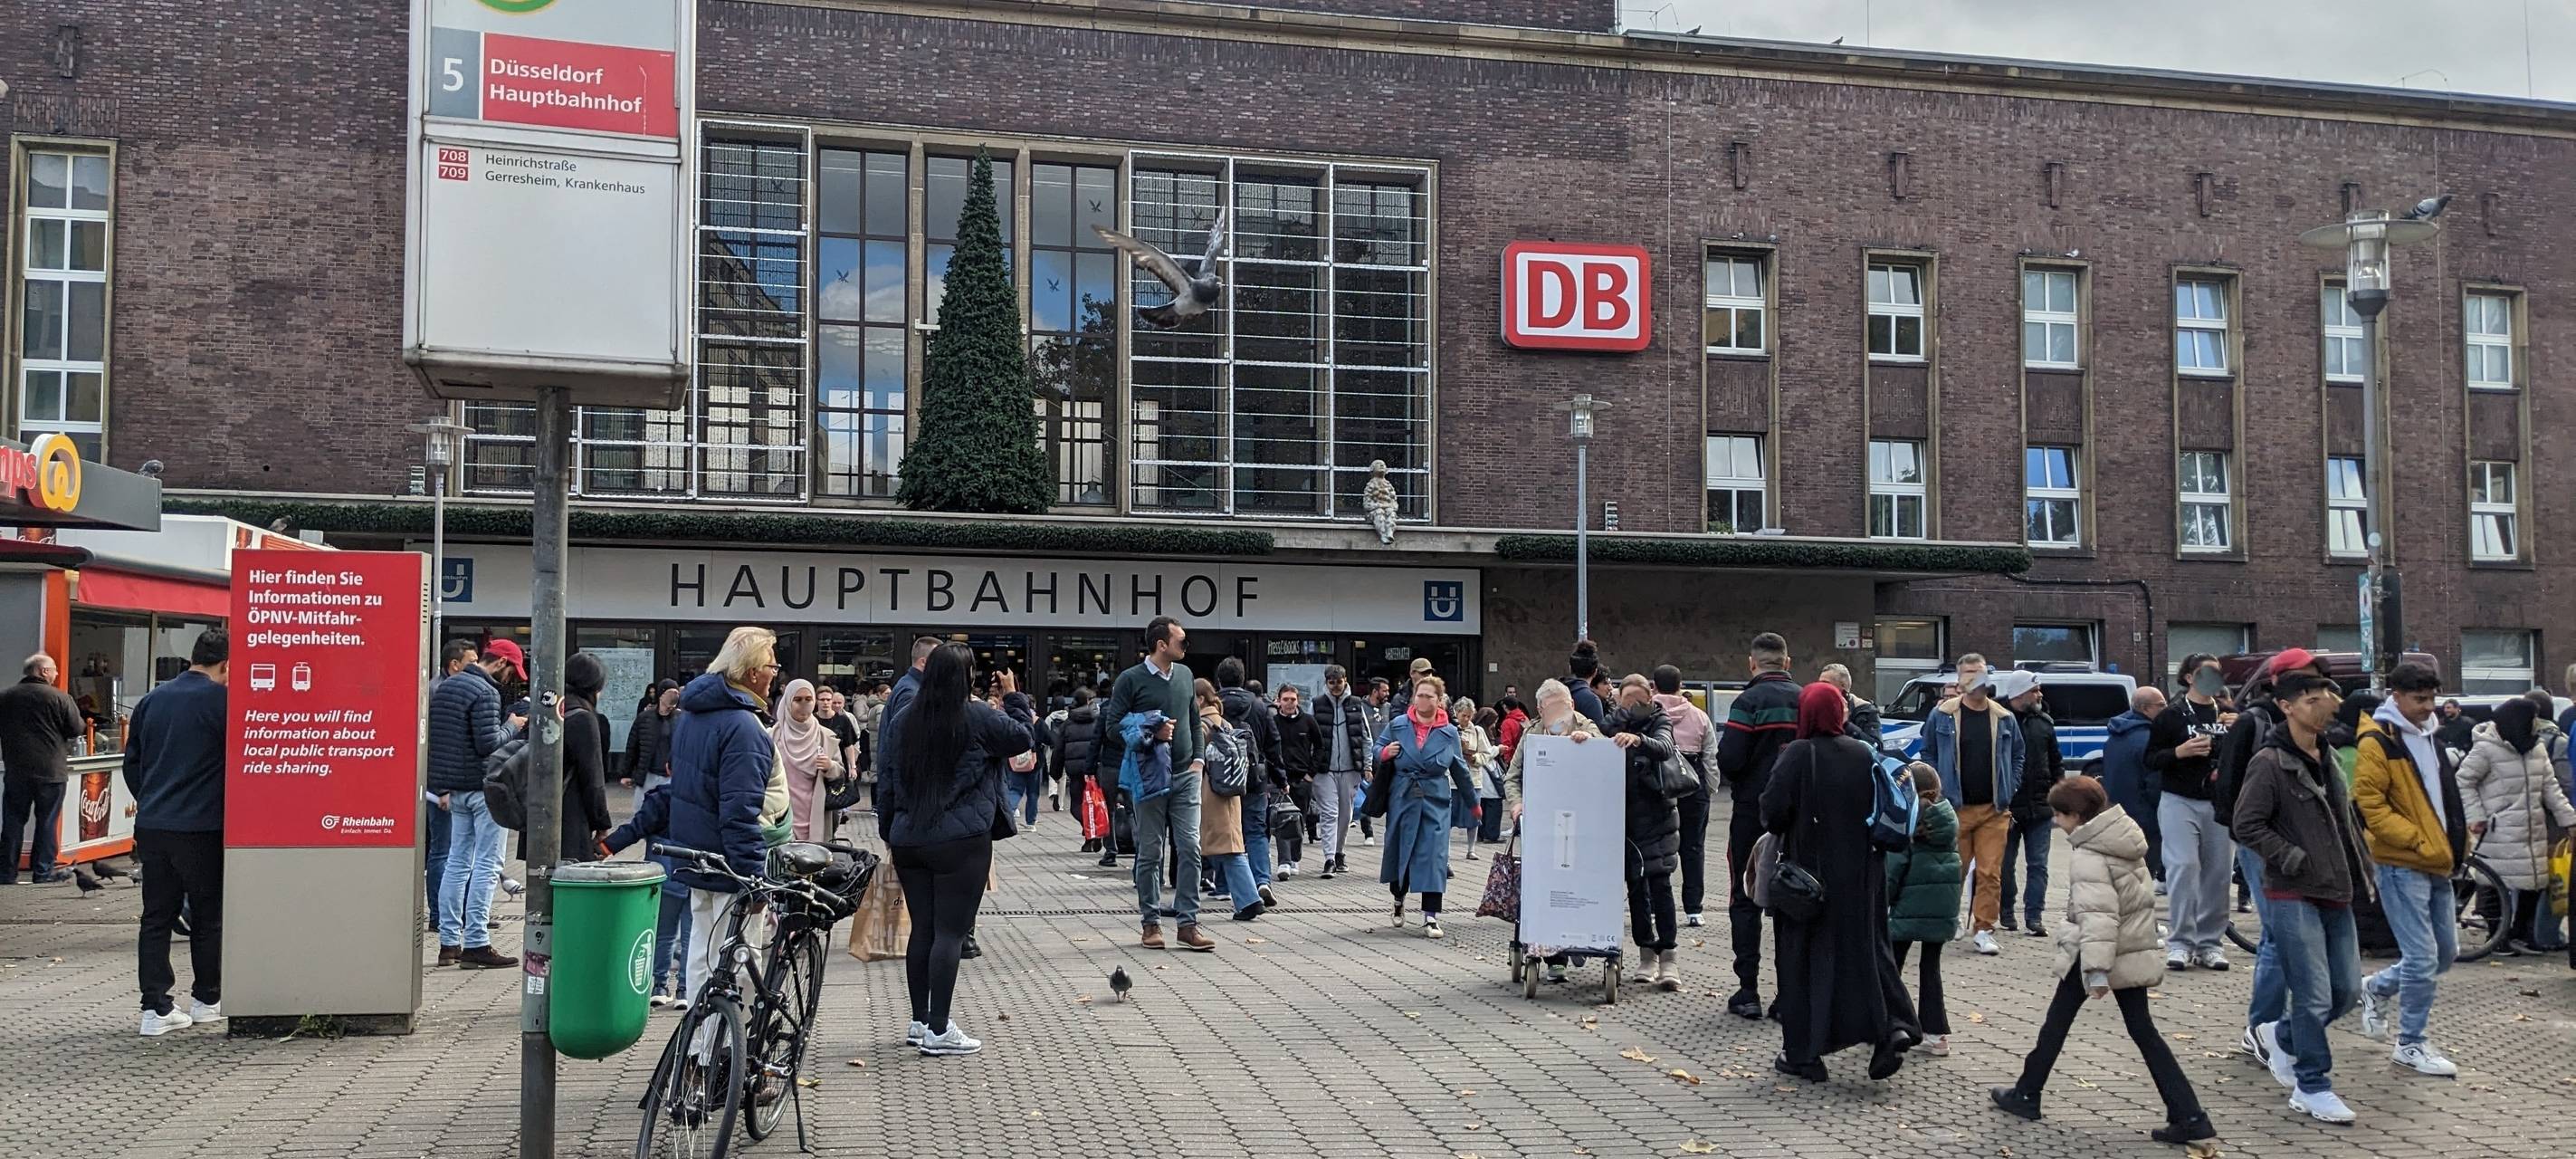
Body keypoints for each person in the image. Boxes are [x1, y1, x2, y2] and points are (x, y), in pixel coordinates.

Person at [1989, 776, 2216, 1148]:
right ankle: (2189, 1114)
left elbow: (2098, 915)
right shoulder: (2122, 837)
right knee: (2136, 1031)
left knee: (2060, 1024)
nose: (2056, 823)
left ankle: (2027, 1094)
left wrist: (2095, 970)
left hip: (2098, 951)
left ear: (2076, 816)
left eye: (2059, 816)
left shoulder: (2090, 855)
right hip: (2130, 947)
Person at [607, 628, 787, 1019]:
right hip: (729, 865)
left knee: (701, 956)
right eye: (772, 664)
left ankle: (697, 1050)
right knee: (737, 964)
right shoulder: (743, 727)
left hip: (695, 858)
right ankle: (723, 1053)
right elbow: (740, 811)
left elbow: (684, 791)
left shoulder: (692, 718)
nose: (776, 673)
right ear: (754, 671)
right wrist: (754, 879)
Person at [874, 642, 1035, 1057]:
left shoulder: (905, 716)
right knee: (950, 932)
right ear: (965, 677)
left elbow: (887, 776)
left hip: (910, 837)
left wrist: (888, 830)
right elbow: (1022, 738)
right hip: (961, 841)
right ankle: (940, 1030)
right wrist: (1014, 695)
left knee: (922, 931)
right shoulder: (977, 714)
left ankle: (918, 1020)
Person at [1760, 681, 1915, 1083]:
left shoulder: (1798, 753)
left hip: (1809, 880)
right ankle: (1890, 1027)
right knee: (1865, 951)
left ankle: (1804, 1055)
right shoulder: (1863, 752)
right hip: (1864, 873)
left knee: (1801, 962)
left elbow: (1772, 813)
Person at [2235, 672, 2371, 1124]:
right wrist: (2290, 857)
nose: (2324, 706)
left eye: (2327, 698)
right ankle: (2312, 1085)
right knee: (2312, 995)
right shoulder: (2270, 762)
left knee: (2347, 990)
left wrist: (2364, 866)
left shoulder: (2329, 755)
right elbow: (2247, 824)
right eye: (2311, 700)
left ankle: (2281, 1034)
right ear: (2287, 706)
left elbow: (2344, 820)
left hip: (2337, 886)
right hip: (2292, 890)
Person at [2350, 662, 2467, 1076]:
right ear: (2395, 696)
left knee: (2445, 953)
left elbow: (2442, 793)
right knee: (2421, 957)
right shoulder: (2377, 741)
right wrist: (2415, 838)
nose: (2428, 706)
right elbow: (2370, 804)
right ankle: (2411, 1043)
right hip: (2403, 862)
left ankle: (2375, 989)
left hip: (2437, 858)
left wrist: (2453, 837)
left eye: (2432, 698)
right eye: (2419, 699)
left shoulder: (2430, 734)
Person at [2216, 647, 2329, 1067]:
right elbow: (2228, 787)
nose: (2314, 689)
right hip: (2263, 843)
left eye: (2318, 679)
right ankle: (2263, 1028)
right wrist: (2248, 837)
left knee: (2288, 938)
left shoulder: (2318, 726)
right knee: (2278, 937)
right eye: (2305, 679)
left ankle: (2275, 1027)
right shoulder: (2254, 720)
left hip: (2308, 846)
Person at [121, 629, 228, 1037]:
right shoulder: (225, 702)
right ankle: (206, 999)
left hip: (153, 825)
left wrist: (151, 798)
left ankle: (156, 1008)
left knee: (156, 916)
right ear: (227, 665)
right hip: (202, 826)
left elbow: (133, 763)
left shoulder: (152, 700)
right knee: (207, 915)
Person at [1099, 617, 1215, 953]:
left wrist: (1198, 759)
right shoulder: (1130, 680)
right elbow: (1112, 726)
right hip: (1149, 775)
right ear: (1161, 645)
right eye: (1181, 641)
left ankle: (1188, 923)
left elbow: (1194, 720)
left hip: (1185, 774)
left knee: (1191, 847)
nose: (1186, 646)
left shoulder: (1186, 675)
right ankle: (1151, 923)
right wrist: (1151, 732)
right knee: (1150, 851)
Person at [1714, 631, 1800, 1018]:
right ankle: (1788, 995)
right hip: (1798, 816)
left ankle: (1747, 990)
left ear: (1752, 664)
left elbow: (1729, 758)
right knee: (1792, 899)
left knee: (1745, 895)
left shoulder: (1746, 702)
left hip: (1752, 812)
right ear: (1787, 662)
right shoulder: (1805, 700)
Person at [1920, 654, 2025, 957]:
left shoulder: (2003, 716)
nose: (1975, 678)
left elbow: (2018, 754)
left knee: (1991, 872)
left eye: (1979, 672)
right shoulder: (1943, 715)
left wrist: (2011, 786)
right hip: (1955, 806)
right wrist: (1937, 790)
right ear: (1959, 678)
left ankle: (1984, 929)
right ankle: (1952, 919)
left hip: (1994, 809)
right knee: (1956, 868)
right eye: (1969, 673)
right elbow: (1927, 751)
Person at [428, 637, 523, 969]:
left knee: (456, 862)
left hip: (454, 789)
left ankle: (448, 942)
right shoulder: (486, 692)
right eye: (512, 671)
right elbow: (488, 744)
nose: (510, 679)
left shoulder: (446, 688)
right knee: (488, 864)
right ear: (500, 663)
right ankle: (478, 942)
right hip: (483, 790)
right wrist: (511, 727)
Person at [2457, 695, 2576, 954]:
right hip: (2499, 827)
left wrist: (2569, 819)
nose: (2535, 724)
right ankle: (2497, 937)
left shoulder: (2536, 748)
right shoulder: (2487, 749)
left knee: (2534, 880)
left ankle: (2521, 934)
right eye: (2531, 719)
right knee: (2493, 882)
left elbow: (2550, 788)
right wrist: (2476, 815)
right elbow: (2464, 781)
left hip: (2532, 826)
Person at [1503, 679, 1602, 983]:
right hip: (1542, 823)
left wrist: (1591, 742)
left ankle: (1578, 939)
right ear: (1540, 709)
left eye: (1566, 704)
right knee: (1543, 889)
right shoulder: (1531, 732)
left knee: (1577, 885)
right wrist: (1517, 805)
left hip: (1581, 823)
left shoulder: (1587, 726)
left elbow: (1606, 757)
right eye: (1554, 706)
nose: (1563, 711)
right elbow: (1512, 777)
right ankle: (1552, 955)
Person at [2149, 654, 2234, 970]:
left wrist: (2239, 731)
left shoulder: (2227, 713)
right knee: (2184, 866)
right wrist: (2179, 752)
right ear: (2188, 677)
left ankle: (2210, 943)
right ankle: (2181, 941)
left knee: (2218, 873)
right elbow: (2151, 758)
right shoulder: (2170, 716)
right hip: (2179, 799)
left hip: (2217, 802)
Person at [1374, 675, 1476, 938]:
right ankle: (1398, 899)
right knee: (1401, 851)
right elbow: (1376, 748)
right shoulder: (1398, 725)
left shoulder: (1449, 731)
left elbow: (1460, 769)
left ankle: (1431, 916)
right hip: (1403, 795)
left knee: (1434, 856)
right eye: (1419, 695)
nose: (1423, 699)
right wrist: (1386, 753)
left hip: (1435, 798)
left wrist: (1473, 804)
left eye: (1429, 695)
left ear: (1439, 700)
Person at [1609, 675, 1683, 988]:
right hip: (1625, 821)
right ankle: (1645, 955)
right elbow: (1596, 732)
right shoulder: (1613, 721)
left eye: (1640, 700)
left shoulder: (1659, 719)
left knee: (1661, 885)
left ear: (1651, 697)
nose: (1635, 706)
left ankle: (1669, 957)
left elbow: (1666, 747)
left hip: (1658, 817)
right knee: (1636, 888)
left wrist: (1639, 740)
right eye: (1628, 701)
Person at [1886, 761, 1962, 1056]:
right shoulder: (1947, 820)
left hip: (1906, 907)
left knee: (1892, 968)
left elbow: (1894, 870)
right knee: (1930, 969)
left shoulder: (1909, 821)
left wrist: (1884, 900)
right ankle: (1937, 1034)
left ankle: (1894, 1024)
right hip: (1942, 909)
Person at [0, 651, 84, 886]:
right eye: (54, 669)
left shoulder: (5, 697)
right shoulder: (59, 697)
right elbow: (76, 728)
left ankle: (6, 873)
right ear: (43, 671)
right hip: (51, 771)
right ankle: (42, 873)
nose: (56, 674)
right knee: (47, 822)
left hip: (17, 770)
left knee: (13, 821)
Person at [1194, 679, 1269, 921]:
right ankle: (1246, 898)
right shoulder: (1223, 722)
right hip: (1230, 792)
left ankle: (1249, 900)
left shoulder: (1202, 725)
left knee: (1226, 849)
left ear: (1200, 699)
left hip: (1210, 793)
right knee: (1227, 846)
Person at [1646, 666, 1716, 926]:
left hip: (1656, 784)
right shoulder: (1699, 716)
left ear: (1653, 686)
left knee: (1654, 845)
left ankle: (1654, 906)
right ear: (1681, 684)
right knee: (1693, 845)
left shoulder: (1647, 712)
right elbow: (1710, 756)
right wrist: (1709, 788)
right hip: (1691, 781)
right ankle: (1693, 909)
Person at [1996, 671, 2063, 938]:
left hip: (2040, 807)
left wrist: (2058, 794)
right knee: (2004, 864)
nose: (2040, 694)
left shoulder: (2044, 722)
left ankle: (2034, 916)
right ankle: (2006, 911)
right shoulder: (1999, 720)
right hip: (2008, 806)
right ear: (2020, 693)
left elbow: (2055, 761)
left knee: (2039, 865)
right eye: (2035, 690)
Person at [1215, 658, 1281, 894]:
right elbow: (1273, 744)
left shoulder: (1214, 705)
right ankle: (1262, 879)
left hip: (1219, 779)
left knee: (1223, 829)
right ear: (1243, 678)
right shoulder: (1260, 706)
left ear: (1219, 680)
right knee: (1255, 830)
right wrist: (1280, 778)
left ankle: (1222, 885)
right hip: (1254, 777)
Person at [1310, 665, 1371, 879]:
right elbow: (1310, 735)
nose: (1336, 686)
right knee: (1330, 813)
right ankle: (1329, 858)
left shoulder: (1356, 705)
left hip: (1349, 768)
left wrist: (1367, 765)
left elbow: (1365, 737)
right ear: (1326, 683)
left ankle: (1339, 852)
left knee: (1346, 814)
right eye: (1331, 682)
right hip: (1324, 769)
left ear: (1346, 680)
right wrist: (1311, 766)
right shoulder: (1316, 705)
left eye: (1339, 681)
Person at [2102, 685, 2167, 885]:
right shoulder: (2151, 740)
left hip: (2117, 816)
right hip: (2146, 820)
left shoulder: (2114, 737)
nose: (2166, 709)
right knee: (2143, 877)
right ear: (2146, 709)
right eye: (2162, 705)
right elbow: (2155, 784)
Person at [554, 653, 614, 865]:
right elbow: (593, 779)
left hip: (541, 814)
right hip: (572, 817)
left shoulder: (551, 711)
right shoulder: (584, 718)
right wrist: (602, 823)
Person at [773, 679, 841, 844]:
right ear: (788, 702)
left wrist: (830, 767)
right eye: (798, 700)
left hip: (815, 813)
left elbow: (840, 771)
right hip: (781, 816)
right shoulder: (773, 736)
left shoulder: (825, 737)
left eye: (808, 699)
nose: (804, 704)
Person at [1272, 684, 1321, 877]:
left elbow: (1319, 747)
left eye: (1293, 699)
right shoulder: (1273, 722)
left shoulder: (1308, 721)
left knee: (1298, 820)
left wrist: (1311, 774)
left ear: (1298, 700)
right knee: (1282, 819)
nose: (1290, 703)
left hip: (1302, 778)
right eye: (1286, 699)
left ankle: (1295, 858)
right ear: (1279, 701)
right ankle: (1283, 861)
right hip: (1280, 778)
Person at [1054, 686, 1107, 858]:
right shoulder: (1098, 719)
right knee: (1099, 802)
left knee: (1076, 805)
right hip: (1097, 768)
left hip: (1076, 770)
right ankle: (1095, 832)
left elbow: (1059, 750)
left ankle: (1089, 833)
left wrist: (1055, 772)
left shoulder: (1068, 723)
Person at [625, 679, 681, 809]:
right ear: (661, 695)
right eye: (671, 692)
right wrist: (626, 773)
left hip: (672, 776)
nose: (674, 696)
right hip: (648, 775)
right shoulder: (645, 718)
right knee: (641, 814)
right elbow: (633, 745)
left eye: (677, 693)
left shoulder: (681, 718)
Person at [1818, 663, 1883, 748]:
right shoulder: (1816, 708)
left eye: (1826, 684)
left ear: (1843, 686)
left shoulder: (1866, 710)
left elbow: (1875, 746)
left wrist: (1846, 725)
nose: (1820, 687)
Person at [1469, 706, 1505, 845]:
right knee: (1493, 802)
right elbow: (1487, 752)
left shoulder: (1478, 730)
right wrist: (1498, 749)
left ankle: (1483, 833)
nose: (1495, 724)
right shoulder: (1480, 731)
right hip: (1487, 771)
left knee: (1484, 802)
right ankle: (1491, 834)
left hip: (1482, 772)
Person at [1567, 638, 1608, 724]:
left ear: (1570, 668)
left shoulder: (1556, 693)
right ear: (1595, 672)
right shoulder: (1592, 700)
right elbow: (1597, 734)